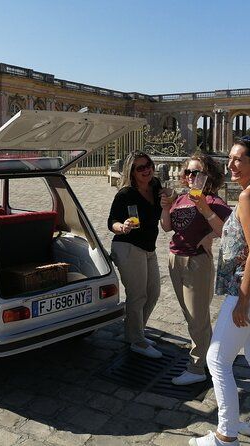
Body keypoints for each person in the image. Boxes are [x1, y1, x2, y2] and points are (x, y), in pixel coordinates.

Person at [190, 136, 250, 446]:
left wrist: (243, 301)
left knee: (217, 359)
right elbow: (241, 239)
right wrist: (205, 209)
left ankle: (225, 435)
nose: (231, 164)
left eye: (238, 159)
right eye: (229, 158)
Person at [160, 154, 231, 385]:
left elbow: (229, 230)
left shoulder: (212, 201)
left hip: (196, 262)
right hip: (175, 258)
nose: (191, 177)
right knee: (190, 315)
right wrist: (165, 207)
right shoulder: (181, 199)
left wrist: (208, 230)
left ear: (208, 175)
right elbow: (167, 227)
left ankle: (197, 368)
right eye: (188, 172)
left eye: (196, 172)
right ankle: (211, 359)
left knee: (197, 318)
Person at [108, 151, 164, 359]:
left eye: (148, 164)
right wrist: (121, 226)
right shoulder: (126, 194)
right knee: (138, 295)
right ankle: (137, 341)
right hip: (128, 246)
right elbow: (111, 221)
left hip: (148, 246)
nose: (146, 170)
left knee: (153, 292)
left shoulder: (156, 185)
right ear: (131, 172)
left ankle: (135, 333)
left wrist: (169, 195)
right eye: (140, 167)